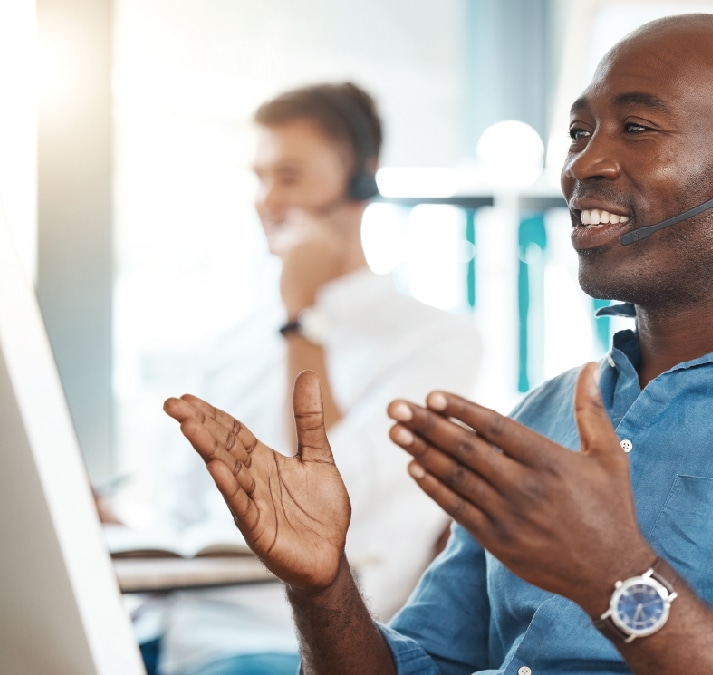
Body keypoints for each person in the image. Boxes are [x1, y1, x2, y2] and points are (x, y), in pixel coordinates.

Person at [164, 16, 713, 674]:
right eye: (578, 133)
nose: (584, 165)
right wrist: (321, 586)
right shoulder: (547, 413)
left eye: (636, 128)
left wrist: (621, 578)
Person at [156, 82, 482, 675]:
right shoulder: (234, 340)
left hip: (291, 642)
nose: (266, 201)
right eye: (259, 178)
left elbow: (324, 489)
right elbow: (179, 512)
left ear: (361, 178)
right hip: (181, 634)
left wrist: (301, 316)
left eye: (290, 177)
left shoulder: (436, 340)